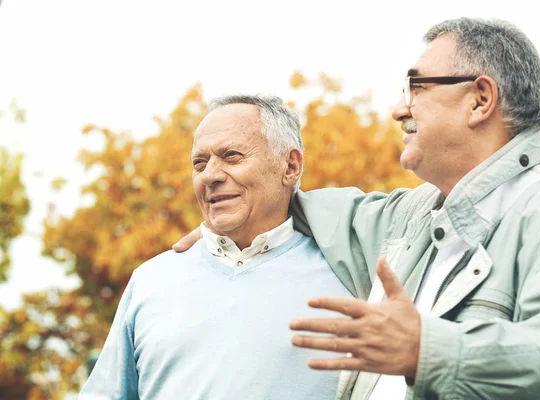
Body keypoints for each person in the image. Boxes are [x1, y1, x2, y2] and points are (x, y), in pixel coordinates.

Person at [173, 18, 540, 400]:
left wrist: (426, 351)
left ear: (480, 99)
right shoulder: (411, 217)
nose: (399, 109)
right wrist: (237, 213)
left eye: (416, 87)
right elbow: (314, 207)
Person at [79, 95, 353, 399]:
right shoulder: (150, 282)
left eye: (231, 156)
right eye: (200, 163)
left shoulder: (348, 273)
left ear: (290, 165)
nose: (209, 175)